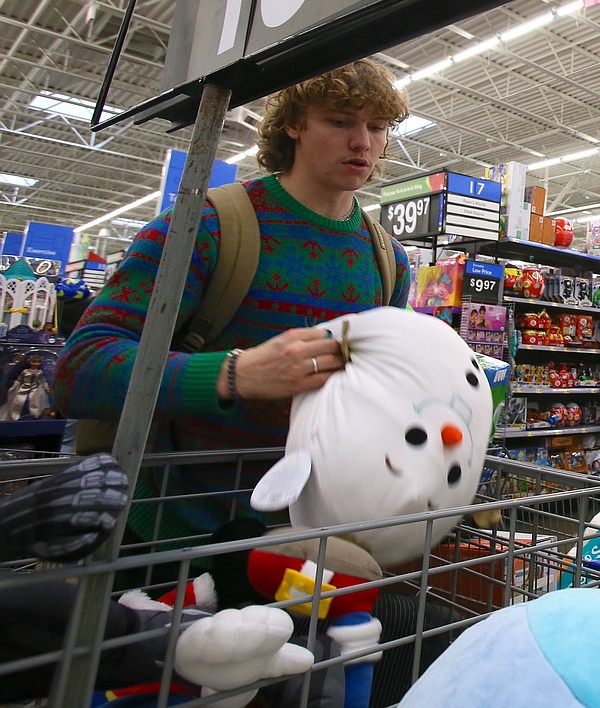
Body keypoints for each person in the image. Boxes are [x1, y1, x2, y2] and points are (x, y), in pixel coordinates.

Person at [52, 58, 413, 547]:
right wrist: (234, 375)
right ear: (294, 124)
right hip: (166, 534)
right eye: (339, 121)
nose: (362, 142)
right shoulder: (207, 227)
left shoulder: (387, 259)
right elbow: (80, 369)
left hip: (308, 538)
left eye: (376, 127)